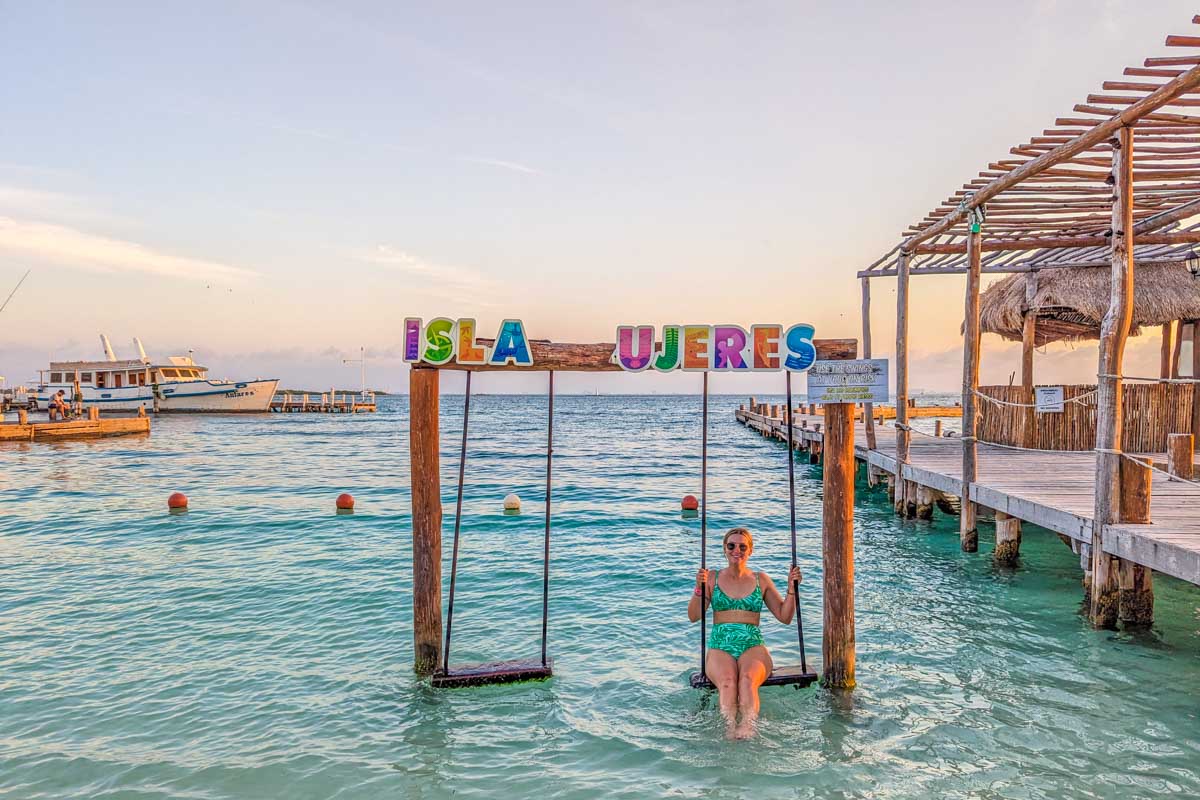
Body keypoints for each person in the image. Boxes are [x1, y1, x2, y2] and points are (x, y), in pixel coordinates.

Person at [688, 527, 802, 739]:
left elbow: (784, 616)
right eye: (731, 546)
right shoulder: (711, 578)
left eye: (742, 546)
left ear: (750, 550)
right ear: (724, 548)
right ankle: (729, 727)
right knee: (728, 681)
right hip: (720, 645)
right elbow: (694, 616)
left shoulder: (761, 579)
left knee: (748, 680)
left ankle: (748, 726)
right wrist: (698, 588)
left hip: (752, 645)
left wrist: (792, 589)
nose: (736, 550)